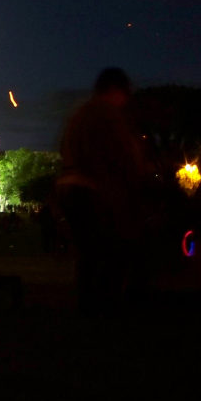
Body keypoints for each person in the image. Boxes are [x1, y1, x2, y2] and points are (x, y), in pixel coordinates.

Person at [56, 67, 149, 313]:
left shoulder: (78, 115)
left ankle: (88, 304)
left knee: (87, 253)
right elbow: (122, 156)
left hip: (70, 186)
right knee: (113, 247)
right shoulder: (108, 115)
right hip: (93, 188)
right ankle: (106, 305)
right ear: (116, 90)